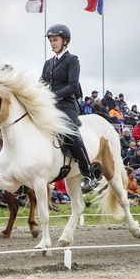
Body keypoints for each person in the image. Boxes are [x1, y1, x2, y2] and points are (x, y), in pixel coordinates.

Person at [40, 24, 99, 189]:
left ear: (64, 41)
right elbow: (41, 83)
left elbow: (73, 86)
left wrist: (54, 95)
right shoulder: (48, 63)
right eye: (51, 40)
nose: (52, 43)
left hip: (67, 106)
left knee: (71, 133)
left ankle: (88, 174)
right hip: (49, 107)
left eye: (55, 40)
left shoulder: (72, 60)